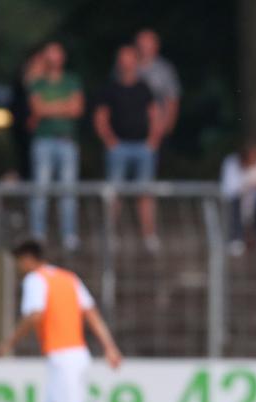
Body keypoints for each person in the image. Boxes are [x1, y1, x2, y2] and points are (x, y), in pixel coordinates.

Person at [0, 240, 129, 402]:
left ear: (28, 258)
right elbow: (91, 313)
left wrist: (9, 342)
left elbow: (34, 314)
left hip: (63, 357)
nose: (18, 267)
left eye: (18, 261)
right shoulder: (68, 277)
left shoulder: (35, 280)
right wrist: (109, 347)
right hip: (75, 354)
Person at [94, 45, 163, 252]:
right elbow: (100, 118)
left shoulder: (144, 88)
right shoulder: (110, 89)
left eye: (130, 59)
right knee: (114, 193)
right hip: (119, 147)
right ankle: (109, 235)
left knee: (145, 193)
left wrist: (152, 141)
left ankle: (149, 235)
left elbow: (155, 115)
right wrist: (110, 141)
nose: (126, 63)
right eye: (122, 59)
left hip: (143, 147)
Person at [28, 42, 84, 251]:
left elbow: (77, 108)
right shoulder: (37, 82)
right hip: (43, 141)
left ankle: (69, 234)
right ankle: (37, 233)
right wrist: (63, 106)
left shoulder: (72, 80)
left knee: (68, 190)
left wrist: (48, 107)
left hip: (67, 140)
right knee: (40, 189)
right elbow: (37, 109)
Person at [220, 140, 256, 256]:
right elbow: (229, 188)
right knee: (236, 203)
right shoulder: (232, 163)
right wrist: (247, 186)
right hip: (239, 200)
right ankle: (236, 239)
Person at [7, 46, 47, 181]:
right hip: (23, 127)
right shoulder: (22, 81)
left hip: (39, 129)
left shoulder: (45, 81)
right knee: (26, 163)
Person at [135, 29, 181, 138]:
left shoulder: (165, 69)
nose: (144, 48)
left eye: (147, 44)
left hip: (156, 128)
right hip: (126, 131)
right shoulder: (125, 65)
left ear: (156, 46)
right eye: (141, 44)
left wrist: (168, 126)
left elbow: (173, 99)